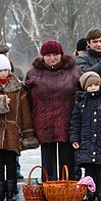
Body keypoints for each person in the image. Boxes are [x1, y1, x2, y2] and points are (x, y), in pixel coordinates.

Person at [0, 54, 38, 201]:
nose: (3, 73)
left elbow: (25, 112)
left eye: (6, 69)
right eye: (0, 70)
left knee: (11, 161)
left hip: (12, 132)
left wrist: (28, 133)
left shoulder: (18, 87)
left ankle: (11, 190)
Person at [25, 40, 82, 181]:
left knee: (68, 161)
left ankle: (68, 189)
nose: (52, 58)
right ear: (42, 56)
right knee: (47, 162)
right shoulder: (33, 73)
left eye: (55, 54)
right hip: (44, 122)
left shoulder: (74, 70)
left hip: (68, 121)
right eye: (48, 55)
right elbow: (27, 100)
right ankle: (49, 189)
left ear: (61, 54)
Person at [70, 72, 101, 201]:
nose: (93, 88)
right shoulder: (81, 103)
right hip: (87, 142)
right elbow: (75, 123)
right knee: (89, 169)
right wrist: (75, 139)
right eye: (90, 85)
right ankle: (90, 192)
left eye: (95, 85)